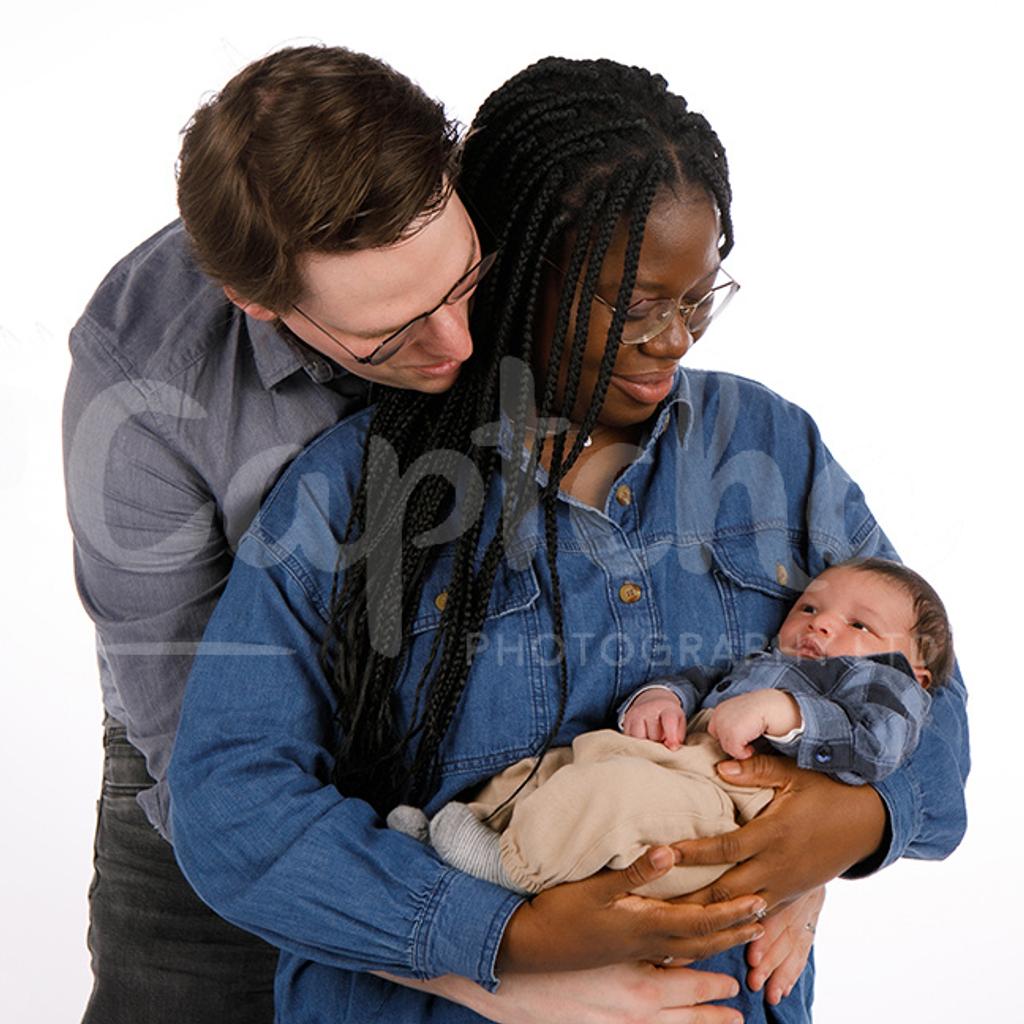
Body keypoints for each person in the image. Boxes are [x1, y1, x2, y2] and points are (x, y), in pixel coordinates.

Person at [167, 57, 969, 1024]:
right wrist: (509, 943)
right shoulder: (350, 494)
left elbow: (929, 676)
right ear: (506, 265)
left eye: (699, 299)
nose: (675, 340)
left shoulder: (768, 444)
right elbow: (230, 809)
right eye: (635, 307)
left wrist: (858, 820)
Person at [62, 45, 482, 1024]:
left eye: (465, 284)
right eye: (393, 336)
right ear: (259, 303)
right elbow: (213, 794)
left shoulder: (515, 204)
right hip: (218, 757)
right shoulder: (138, 381)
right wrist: (487, 970)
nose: (458, 347)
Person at [408, 558, 953, 901]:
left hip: (731, 803)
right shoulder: (770, 659)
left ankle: (509, 868)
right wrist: (663, 696)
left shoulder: (890, 685)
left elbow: (878, 744)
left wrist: (788, 713)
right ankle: (468, 828)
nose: (822, 623)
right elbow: (704, 678)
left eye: (859, 625)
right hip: (677, 756)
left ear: (918, 670)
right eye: (810, 605)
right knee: (563, 763)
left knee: (611, 797)